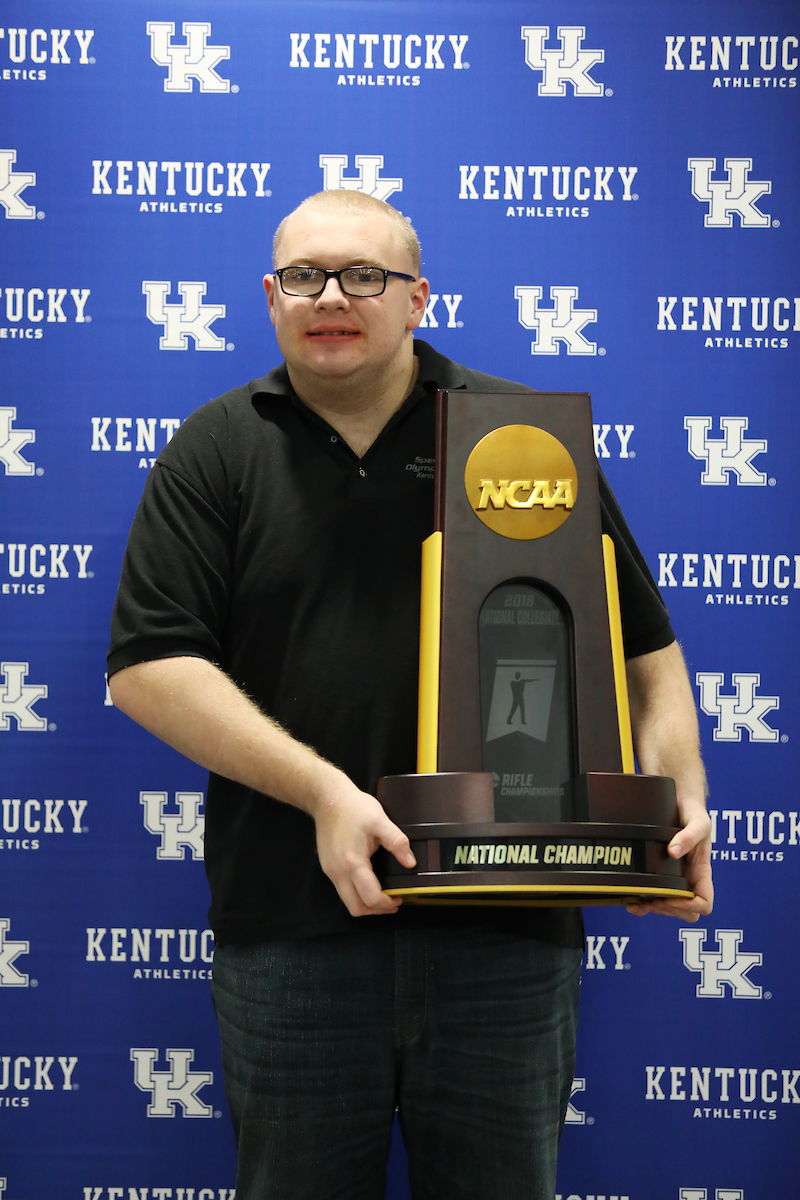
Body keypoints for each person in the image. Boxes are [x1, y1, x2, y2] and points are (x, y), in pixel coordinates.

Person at [108, 190, 712, 1200]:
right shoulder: (213, 447)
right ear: (269, 296)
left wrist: (677, 798)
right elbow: (148, 670)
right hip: (293, 935)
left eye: (364, 276)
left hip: (506, 928)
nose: (330, 297)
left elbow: (645, 654)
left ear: (417, 298)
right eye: (303, 277)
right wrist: (328, 797)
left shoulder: (522, 437)